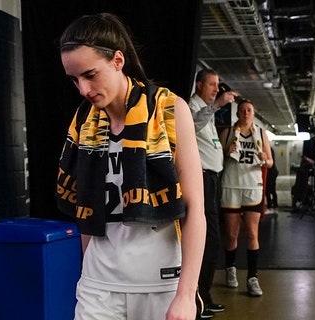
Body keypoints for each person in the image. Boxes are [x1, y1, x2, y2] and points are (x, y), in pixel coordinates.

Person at [55, 13, 206, 320]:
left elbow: (194, 209)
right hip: (98, 286)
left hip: (160, 284)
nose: (83, 89)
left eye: (90, 75)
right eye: (74, 80)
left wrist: (187, 295)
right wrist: (87, 271)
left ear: (118, 60)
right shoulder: (84, 122)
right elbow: (86, 208)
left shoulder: (168, 110)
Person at [188, 69, 236, 318]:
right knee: (208, 240)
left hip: (213, 179)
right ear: (199, 85)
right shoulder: (191, 107)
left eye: (218, 85)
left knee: (211, 240)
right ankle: (198, 300)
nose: (217, 89)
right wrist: (217, 105)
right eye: (212, 84)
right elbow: (191, 126)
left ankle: (204, 297)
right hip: (202, 179)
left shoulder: (209, 110)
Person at [219, 99, 273, 297]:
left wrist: (264, 159)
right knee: (232, 235)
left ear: (254, 112)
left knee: (251, 233)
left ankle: (252, 277)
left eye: (249, 110)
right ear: (238, 114)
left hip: (252, 186)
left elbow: (270, 162)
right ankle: (230, 268)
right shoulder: (228, 133)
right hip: (231, 185)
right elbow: (219, 159)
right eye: (242, 110)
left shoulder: (260, 133)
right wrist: (226, 152)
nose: (245, 113)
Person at [265, 147, 279, 212]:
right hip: (273, 171)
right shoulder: (270, 149)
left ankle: (270, 205)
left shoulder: (268, 149)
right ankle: (274, 204)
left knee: (268, 190)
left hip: (271, 172)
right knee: (272, 189)